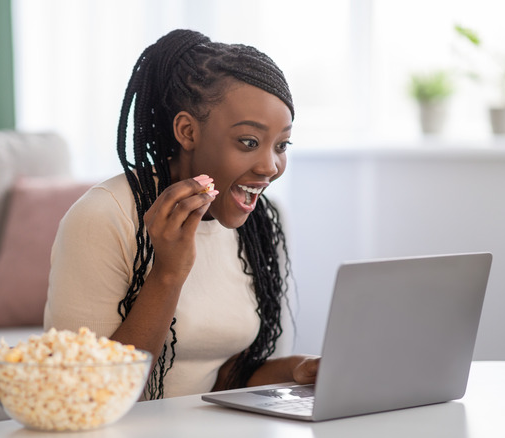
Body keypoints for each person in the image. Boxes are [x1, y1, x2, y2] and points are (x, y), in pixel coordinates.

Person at [44, 29, 319, 400]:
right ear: (187, 131)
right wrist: (168, 273)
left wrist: (297, 369)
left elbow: (223, 379)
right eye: (249, 142)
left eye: (282, 145)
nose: (270, 166)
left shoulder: (262, 221)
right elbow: (87, 394)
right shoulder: (104, 216)